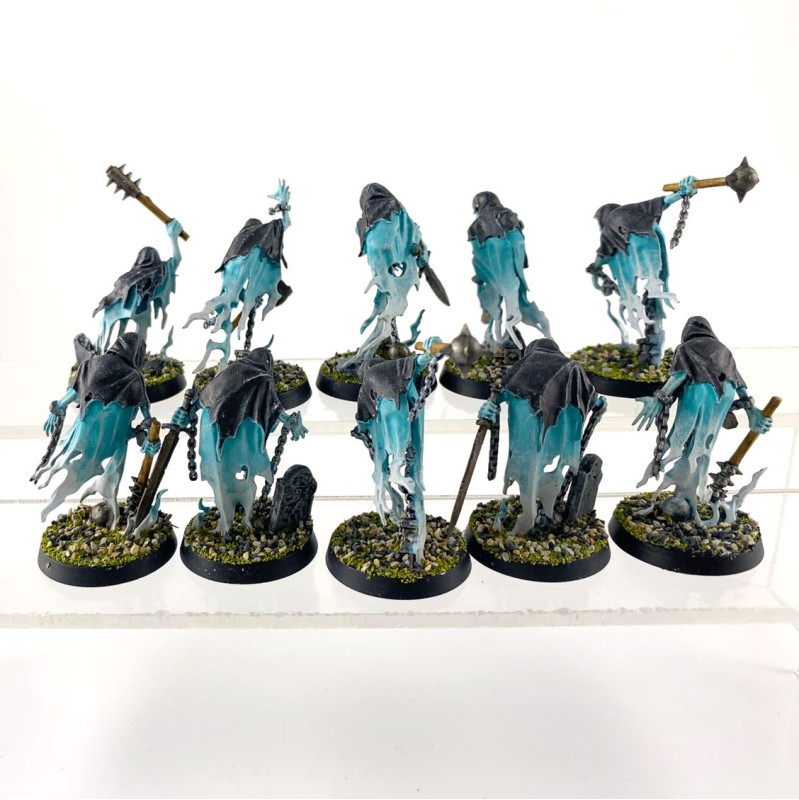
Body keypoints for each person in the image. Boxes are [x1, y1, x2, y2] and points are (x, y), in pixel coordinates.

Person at [632, 316, 772, 522]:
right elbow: (739, 384)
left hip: (697, 390)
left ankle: (683, 489)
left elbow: (679, 376)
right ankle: (690, 489)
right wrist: (752, 412)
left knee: (681, 440)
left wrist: (660, 397)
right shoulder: (724, 350)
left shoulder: (686, 347)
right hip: (724, 395)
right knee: (704, 445)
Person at [175, 347, 306, 533]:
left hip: (215, 431)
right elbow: (275, 408)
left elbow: (205, 397)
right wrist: (292, 423)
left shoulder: (231, 372)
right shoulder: (263, 378)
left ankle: (232, 518)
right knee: (238, 475)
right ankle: (239, 519)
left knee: (223, 474)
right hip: (237, 435)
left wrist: (189, 411)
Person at [33, 333, 159, 527]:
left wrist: (57, 407)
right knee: (109, 471)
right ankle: (107, 510)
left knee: (69, 464)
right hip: (115, 436)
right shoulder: (134, 377)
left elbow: (73, 392)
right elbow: (145, 412)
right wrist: (149, 432)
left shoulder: (89, 365)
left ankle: (51, 506)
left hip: (87, 430)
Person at [479, 339, 604, 533]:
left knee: (530, 469)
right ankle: (541, 513)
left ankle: (536, 514)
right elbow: (593, 398)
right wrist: (600, 405)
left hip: (527, 429)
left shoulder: (524, 365)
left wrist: (488, 409)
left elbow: (498, 395)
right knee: (546, 469)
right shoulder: (573, 368)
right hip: (554, 435)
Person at [185, 181, 292, 372]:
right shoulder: (253, 244)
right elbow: (284, 224)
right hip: (253, 287)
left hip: (260, 286)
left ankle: (231, 344)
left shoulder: (242, 248)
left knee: (249, 301)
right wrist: (283, 207)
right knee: (236, 304)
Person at [587, 177, 696, 364]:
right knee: (652, 298)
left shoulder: (614, 221)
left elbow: (601, 256)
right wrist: (681, 193)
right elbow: (661, 203)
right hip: (652, 260)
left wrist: (595, 269)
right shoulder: (627, 219)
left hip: (649, 263)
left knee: (650, 299)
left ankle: (652, 352)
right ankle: (652, 346)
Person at [338, 184, 430, 373]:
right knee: (385, 310)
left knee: (389, 311)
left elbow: (412, 238)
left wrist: (419, 253)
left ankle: (375, 349)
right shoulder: (369, 224)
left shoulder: (396, 215)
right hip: (385, 273)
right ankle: (370, 351)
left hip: (395, 271)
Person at [468, 191, 551, 350]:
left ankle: (502, 339)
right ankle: (501, 338)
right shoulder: (512, 217)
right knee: (511, 300)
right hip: (513, 272)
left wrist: (479, 275)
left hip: (498, 274)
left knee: (497, 302)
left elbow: (478, 255)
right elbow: (520, 246)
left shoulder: (477, 226)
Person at [94, 219, 183, 352]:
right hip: (139, 311)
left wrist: (173, 236)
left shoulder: (128, 277)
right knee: (135, 331)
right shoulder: (159, 271)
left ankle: (120, 354)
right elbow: (176, 259)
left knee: (122, 331)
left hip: (135, 310)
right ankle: (117, 354)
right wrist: (173, 237)